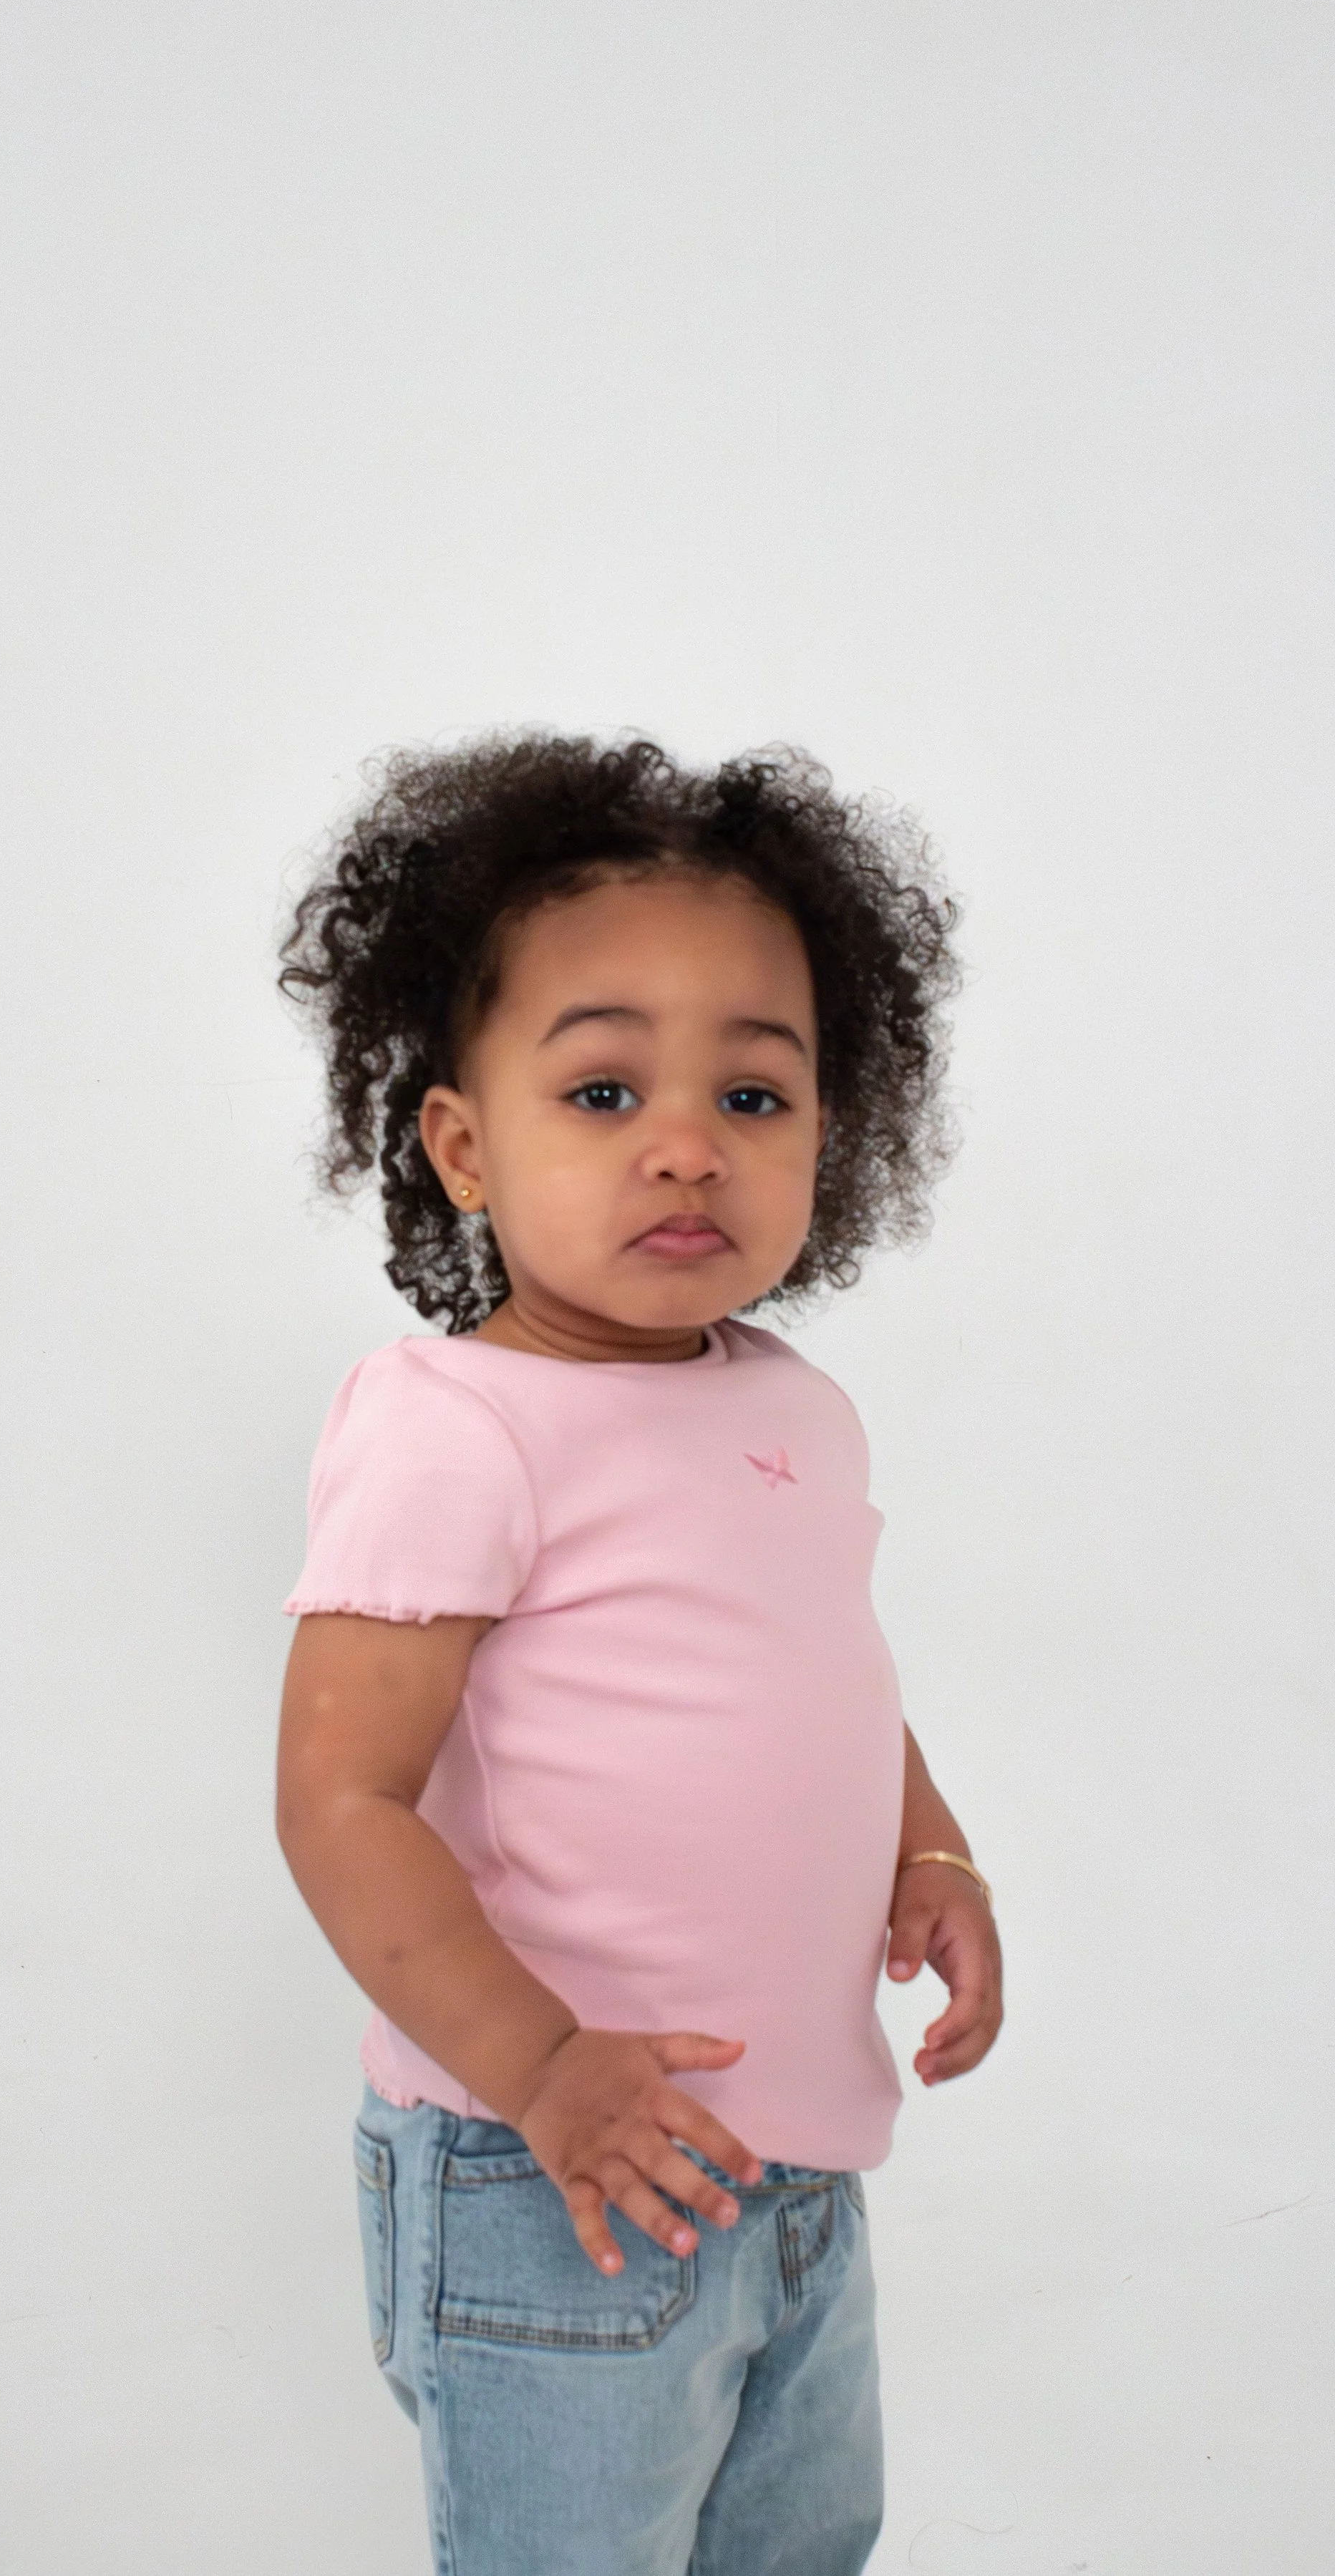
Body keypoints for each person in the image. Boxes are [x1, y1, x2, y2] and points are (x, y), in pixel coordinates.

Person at [273, 732, 1004, 2575]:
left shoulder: (794, 1407)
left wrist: (927, 1847)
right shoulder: (453, 1424)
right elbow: (340, 1800)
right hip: (546, 2175)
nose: (686, 1143)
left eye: (752, 1095)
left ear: (830, 1133)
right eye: (601, 1091)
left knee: (800, 2546)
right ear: (463, 1146)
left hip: (795, 2167)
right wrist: (540, 2069)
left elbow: (826, 1671)